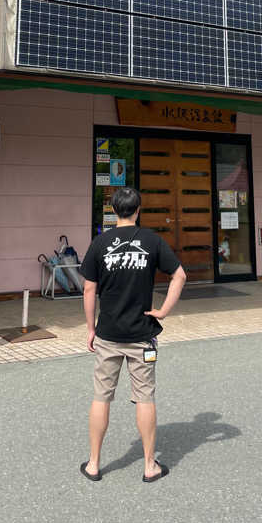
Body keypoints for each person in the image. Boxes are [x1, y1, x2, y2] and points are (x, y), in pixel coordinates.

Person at [79, 186, 186, 483]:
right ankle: (149, 465)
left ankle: (94, 463)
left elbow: (89, 288)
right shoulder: (152, 240)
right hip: (141, 334)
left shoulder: (100, 242)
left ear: (114, 210)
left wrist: (90, 328)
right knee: (144, 398)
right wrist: (163, 310)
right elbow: (180, 275)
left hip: (108, 333)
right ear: (138, 209)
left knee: (101, 396)